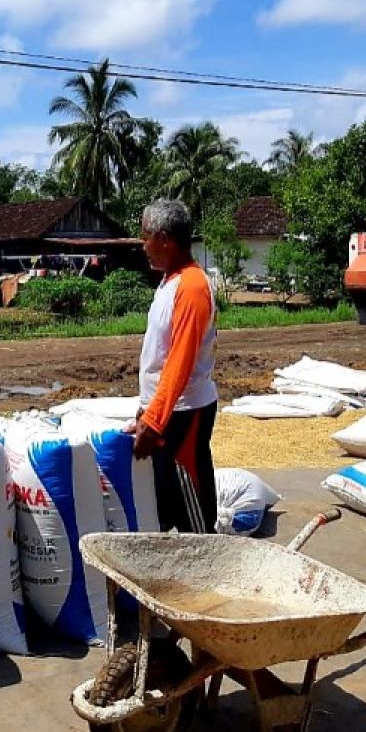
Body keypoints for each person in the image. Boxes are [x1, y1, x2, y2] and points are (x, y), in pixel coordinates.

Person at [129, 199, 219, 534]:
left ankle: (206, 566)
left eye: (145, 237)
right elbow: (159, 355)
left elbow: (180, 360)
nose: (143, 245)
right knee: (166, 500)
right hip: (167, 412)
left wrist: (153, 419)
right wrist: (145, 410)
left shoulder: (192, 287)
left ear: (164, 239)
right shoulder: (170, 281)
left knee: (191, 504)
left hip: (184, 413)